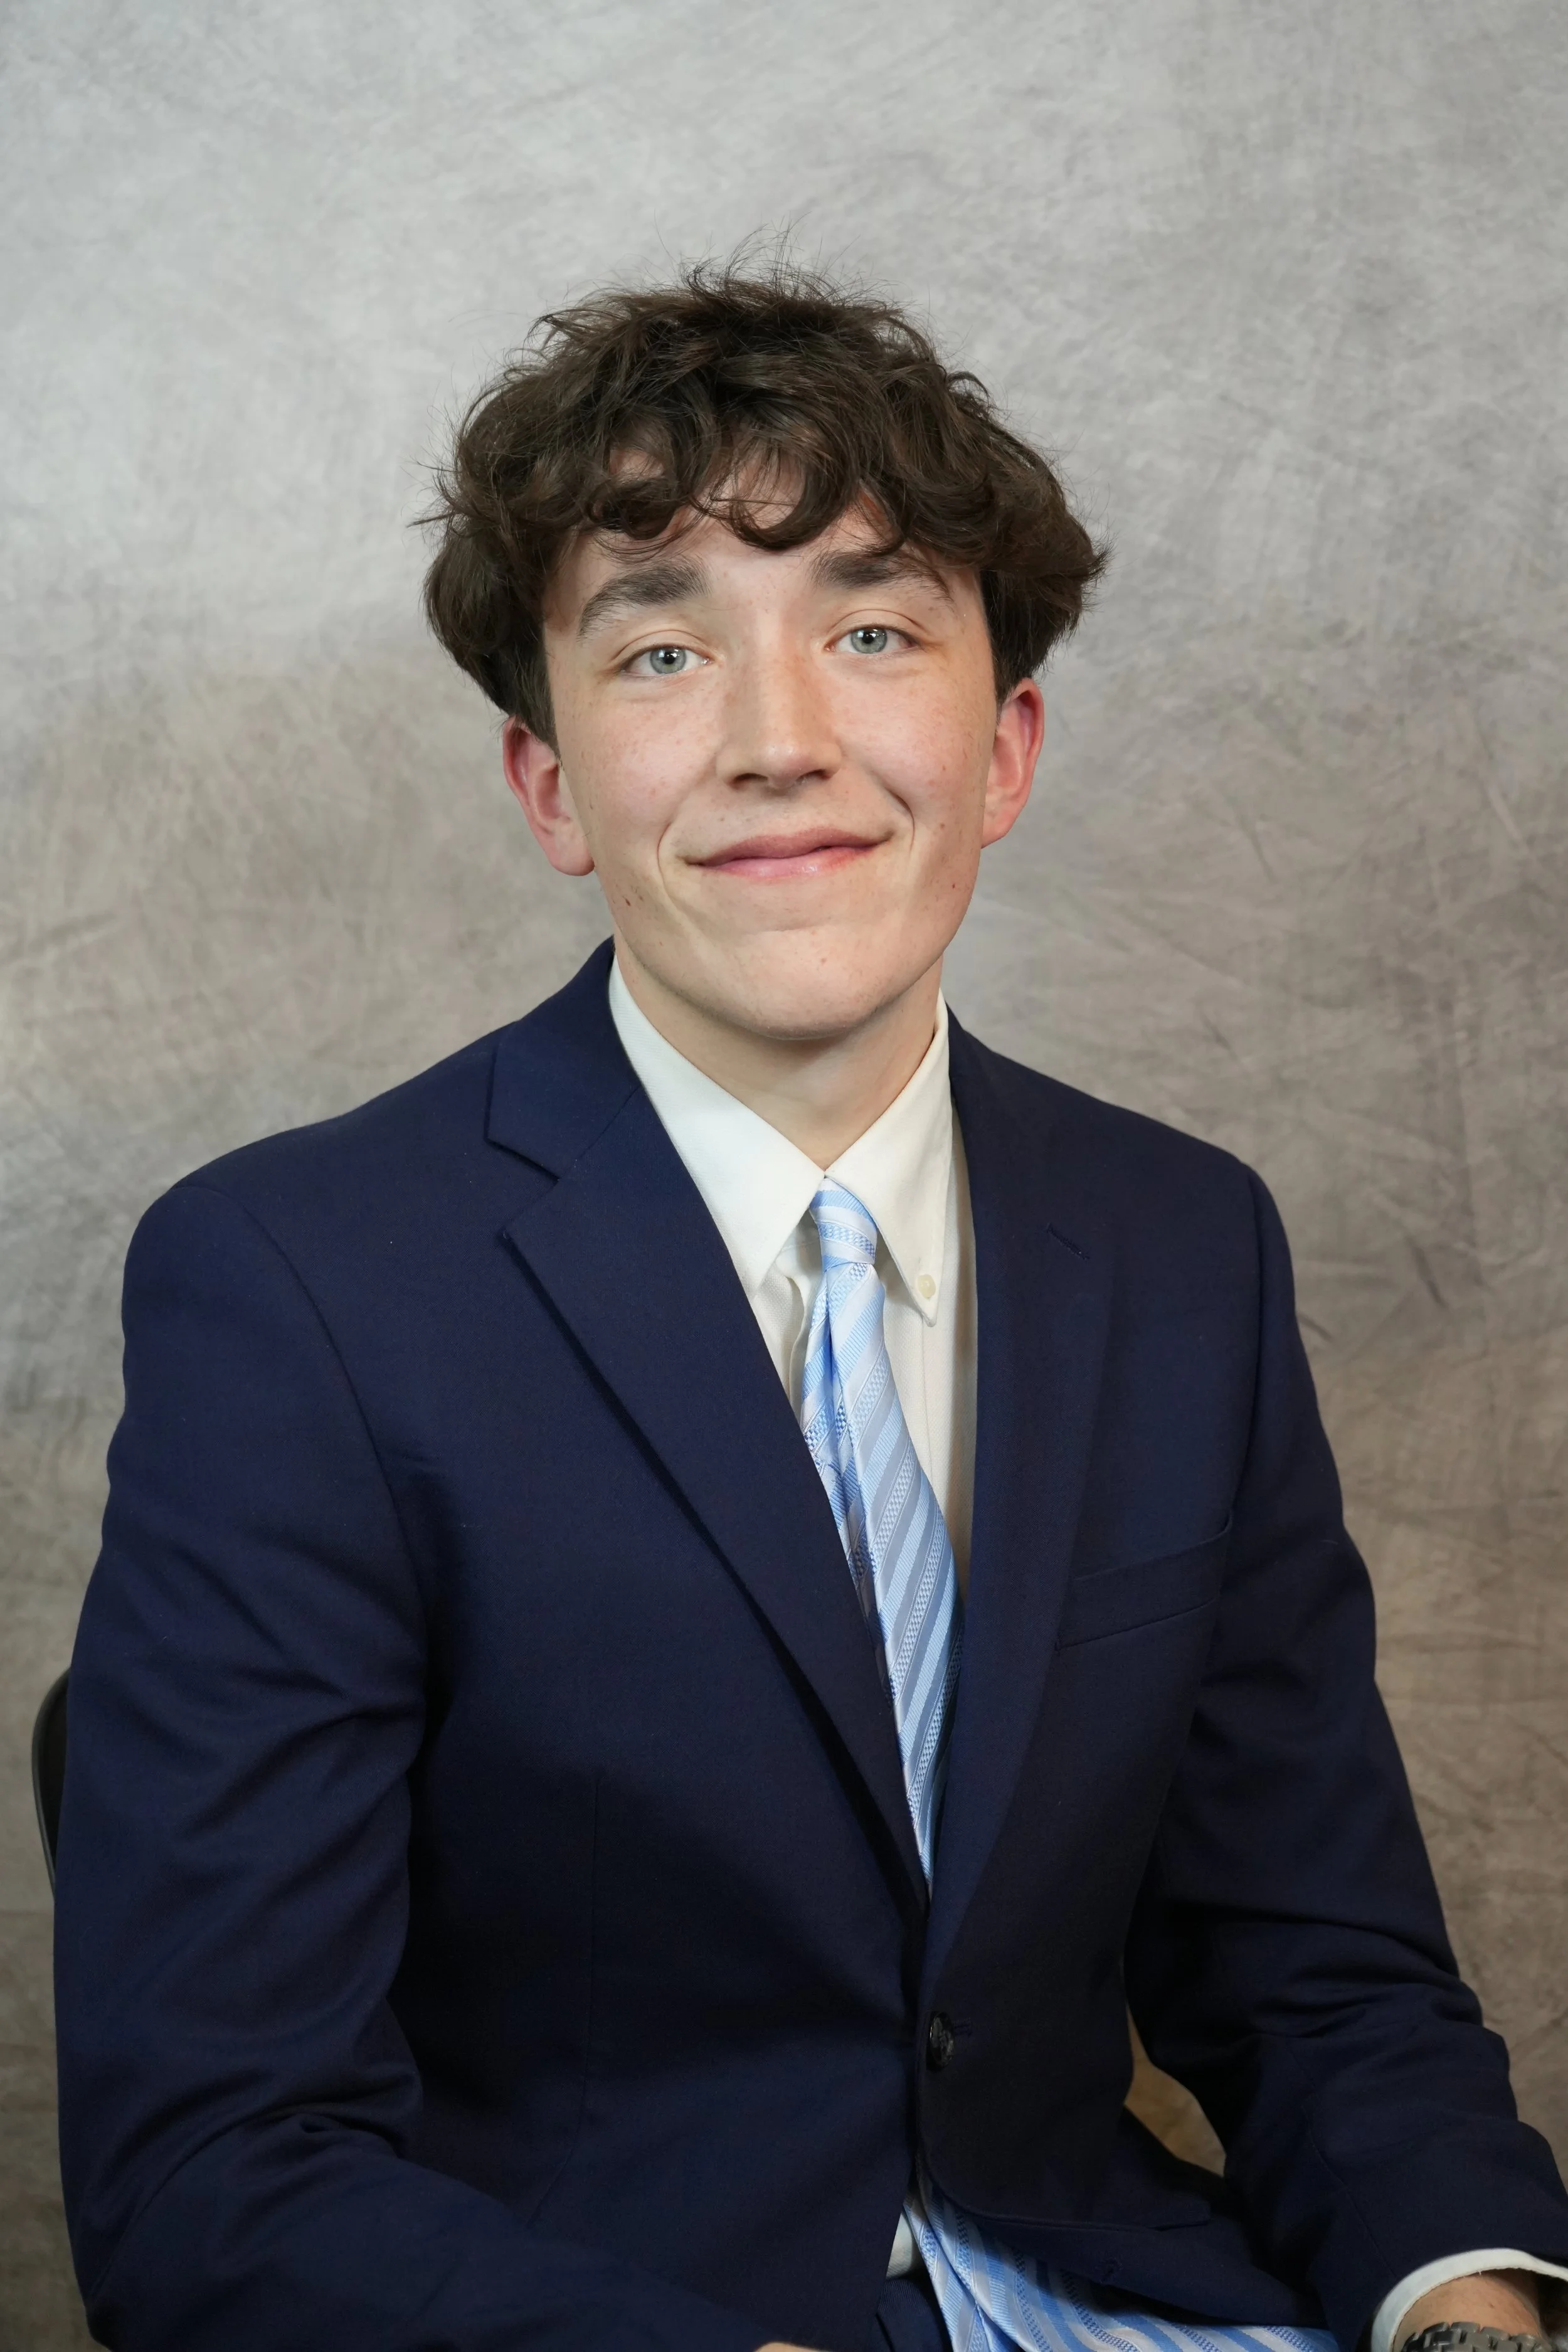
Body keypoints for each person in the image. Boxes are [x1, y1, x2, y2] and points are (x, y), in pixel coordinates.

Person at [54, 262, 1568, 2352]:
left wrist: (1468, 2313)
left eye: (871, 631)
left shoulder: (1179, 1246)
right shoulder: (295, 1284)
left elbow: (1319, 1975)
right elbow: (211, 2168)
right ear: (550, 785)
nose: (781, 742)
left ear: (1004, 744)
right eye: (661, 649)